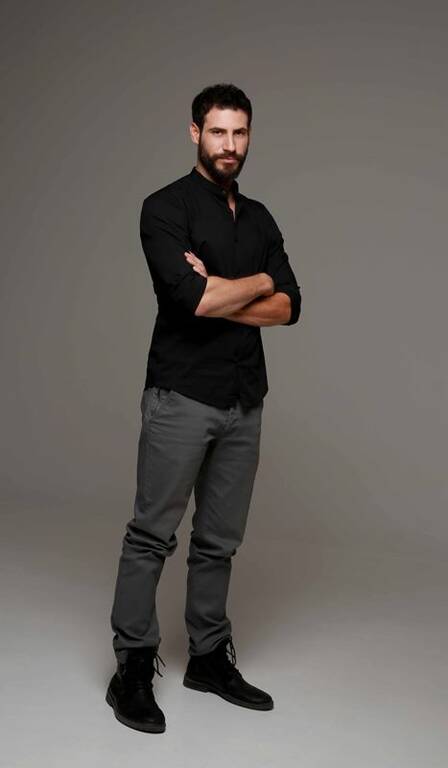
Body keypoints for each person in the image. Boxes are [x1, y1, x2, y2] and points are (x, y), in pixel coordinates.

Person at [106, 83, 302, 733]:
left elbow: (289, 306)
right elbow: (191, 301)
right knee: (151, 535)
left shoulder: (262, 217)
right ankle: (133, 666)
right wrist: (245, 286)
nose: (229, 145)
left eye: (239, 132)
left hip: (246, 398)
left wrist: (228, 287)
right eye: (218, 131)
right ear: (195, 133)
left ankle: (209, 658)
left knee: (219, 540)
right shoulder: (164, 208)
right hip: (182, 395)